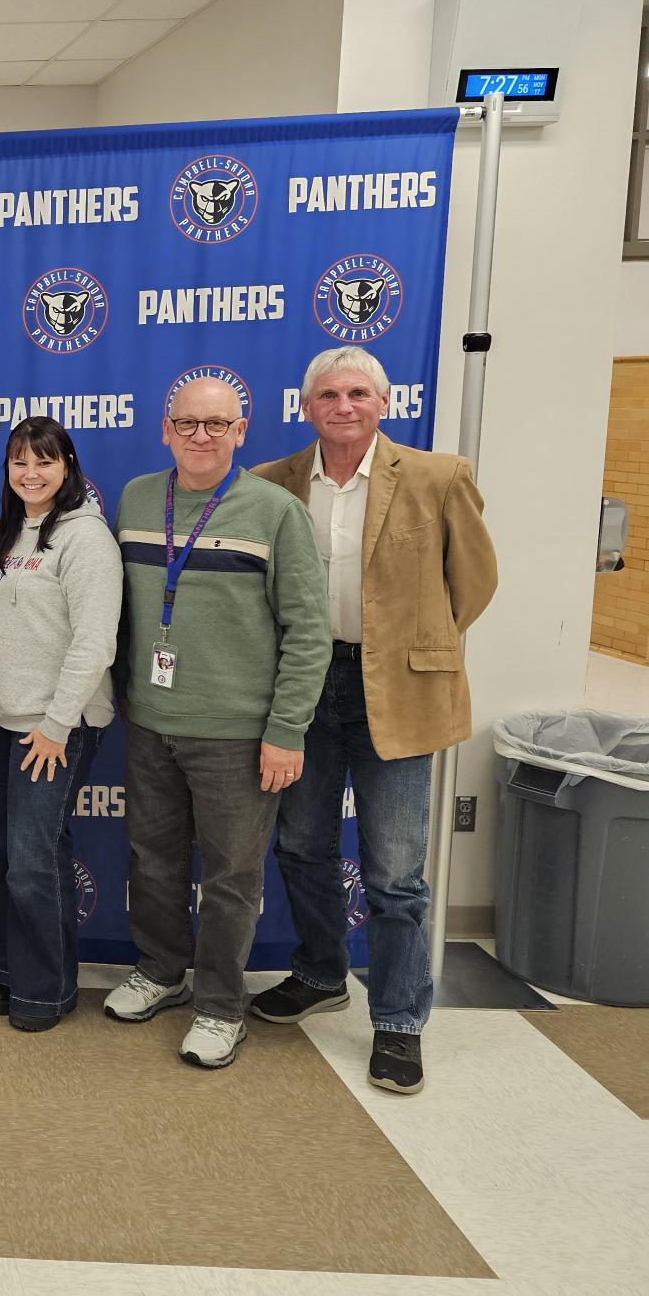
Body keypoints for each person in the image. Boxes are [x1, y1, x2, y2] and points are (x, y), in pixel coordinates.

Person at [248, 348, 498, 1094]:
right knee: (300, 846)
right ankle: (322, 972)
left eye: (359, 392)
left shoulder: (437, 476)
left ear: (384, 403)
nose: (344, 405)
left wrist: (414, 648)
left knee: (395, 872)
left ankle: (397, 1020)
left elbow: (475, 581)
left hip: (400, 687)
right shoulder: (272, 483)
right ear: (306, 407)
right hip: (302, 685)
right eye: (328, 393)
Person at [103, 376, 330, 1069]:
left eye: (217, 424)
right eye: (188, 423)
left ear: (242, 429)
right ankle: (163, 973)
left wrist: (286, 730)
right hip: (148, 720)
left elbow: (309, 631)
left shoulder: (276, 511)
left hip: (238, 731)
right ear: (165, 429)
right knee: (154, 859)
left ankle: (221, 1007)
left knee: (232, 876)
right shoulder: (138, 498)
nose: (201, 436)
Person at [0, 418, 122, 1032]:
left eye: (45, 461)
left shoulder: (85, 538)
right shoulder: (1, 535)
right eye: (19, 463)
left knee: (35, 858)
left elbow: (94, 642)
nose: (31, 473)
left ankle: (48, 990)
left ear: (68, 466)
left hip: (55, 725)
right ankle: (10, 971)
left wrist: (57, 724)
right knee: (9, 858)